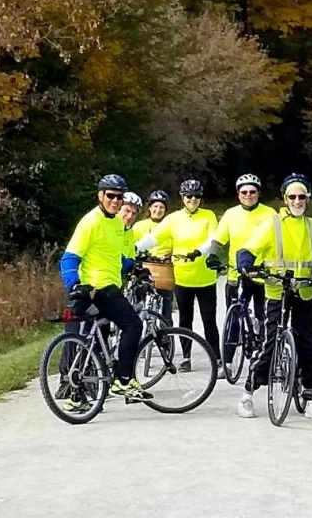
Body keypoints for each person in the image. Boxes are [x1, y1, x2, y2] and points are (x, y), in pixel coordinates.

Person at [236, 173, 312, 422]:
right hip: (276, 290)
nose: (297, 201)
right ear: (285, 199)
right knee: (270, 343)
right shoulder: (272, 223)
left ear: (308, 199)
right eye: (292, 197)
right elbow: (248, 250)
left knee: (309, 346)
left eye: (302, 197)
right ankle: (248, 394)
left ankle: (310, 396)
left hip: (304, 291)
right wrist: (246, 264)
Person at [59, 174, 151, 408]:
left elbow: (113, 257)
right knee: (133, 325)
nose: (116, 201)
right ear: (100, 196)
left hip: (109, 284)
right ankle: (124, 380)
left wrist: (135, 268)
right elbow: (69, 258)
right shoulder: (91, 222)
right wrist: (74, 285)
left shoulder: (116, 224)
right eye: (111, 196)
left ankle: (76, 398)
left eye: (119, 197)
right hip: (99, 288)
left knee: (96, 342)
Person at [136, 178, 221, 375]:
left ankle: (216, 357)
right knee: (185, 319)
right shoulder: (173, 219)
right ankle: (186, 357)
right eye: (189, 196)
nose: (193, 200)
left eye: (197, 196)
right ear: (182, 198)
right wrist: (134, 248)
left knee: (209, 320)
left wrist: (199, 252)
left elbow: (213, 241)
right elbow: (154, 238)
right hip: (182, 277)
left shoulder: (208, 216)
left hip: (205, 277)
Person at [207, 174, 276, 342]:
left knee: (263, 316)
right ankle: (228, 362)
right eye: (244, 192)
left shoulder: (271, 214)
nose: (248, 195)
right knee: (233, 318)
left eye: (252, 192)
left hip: (262, 274)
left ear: (258, 193)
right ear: (238, 194)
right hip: (236, 274)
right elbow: (218, 239)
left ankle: (264, 352)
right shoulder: (230, 214)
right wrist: (213, 256)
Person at [133, 190, 173, 325]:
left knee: (166, 308)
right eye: (155, 206)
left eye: (162, 207)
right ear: (149, 208)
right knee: (138, 304)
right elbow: (132, 247)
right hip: (145, 269)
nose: (158, 210)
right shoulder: (139, 226)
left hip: (164, 270)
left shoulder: (170, 226)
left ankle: (167, 338)